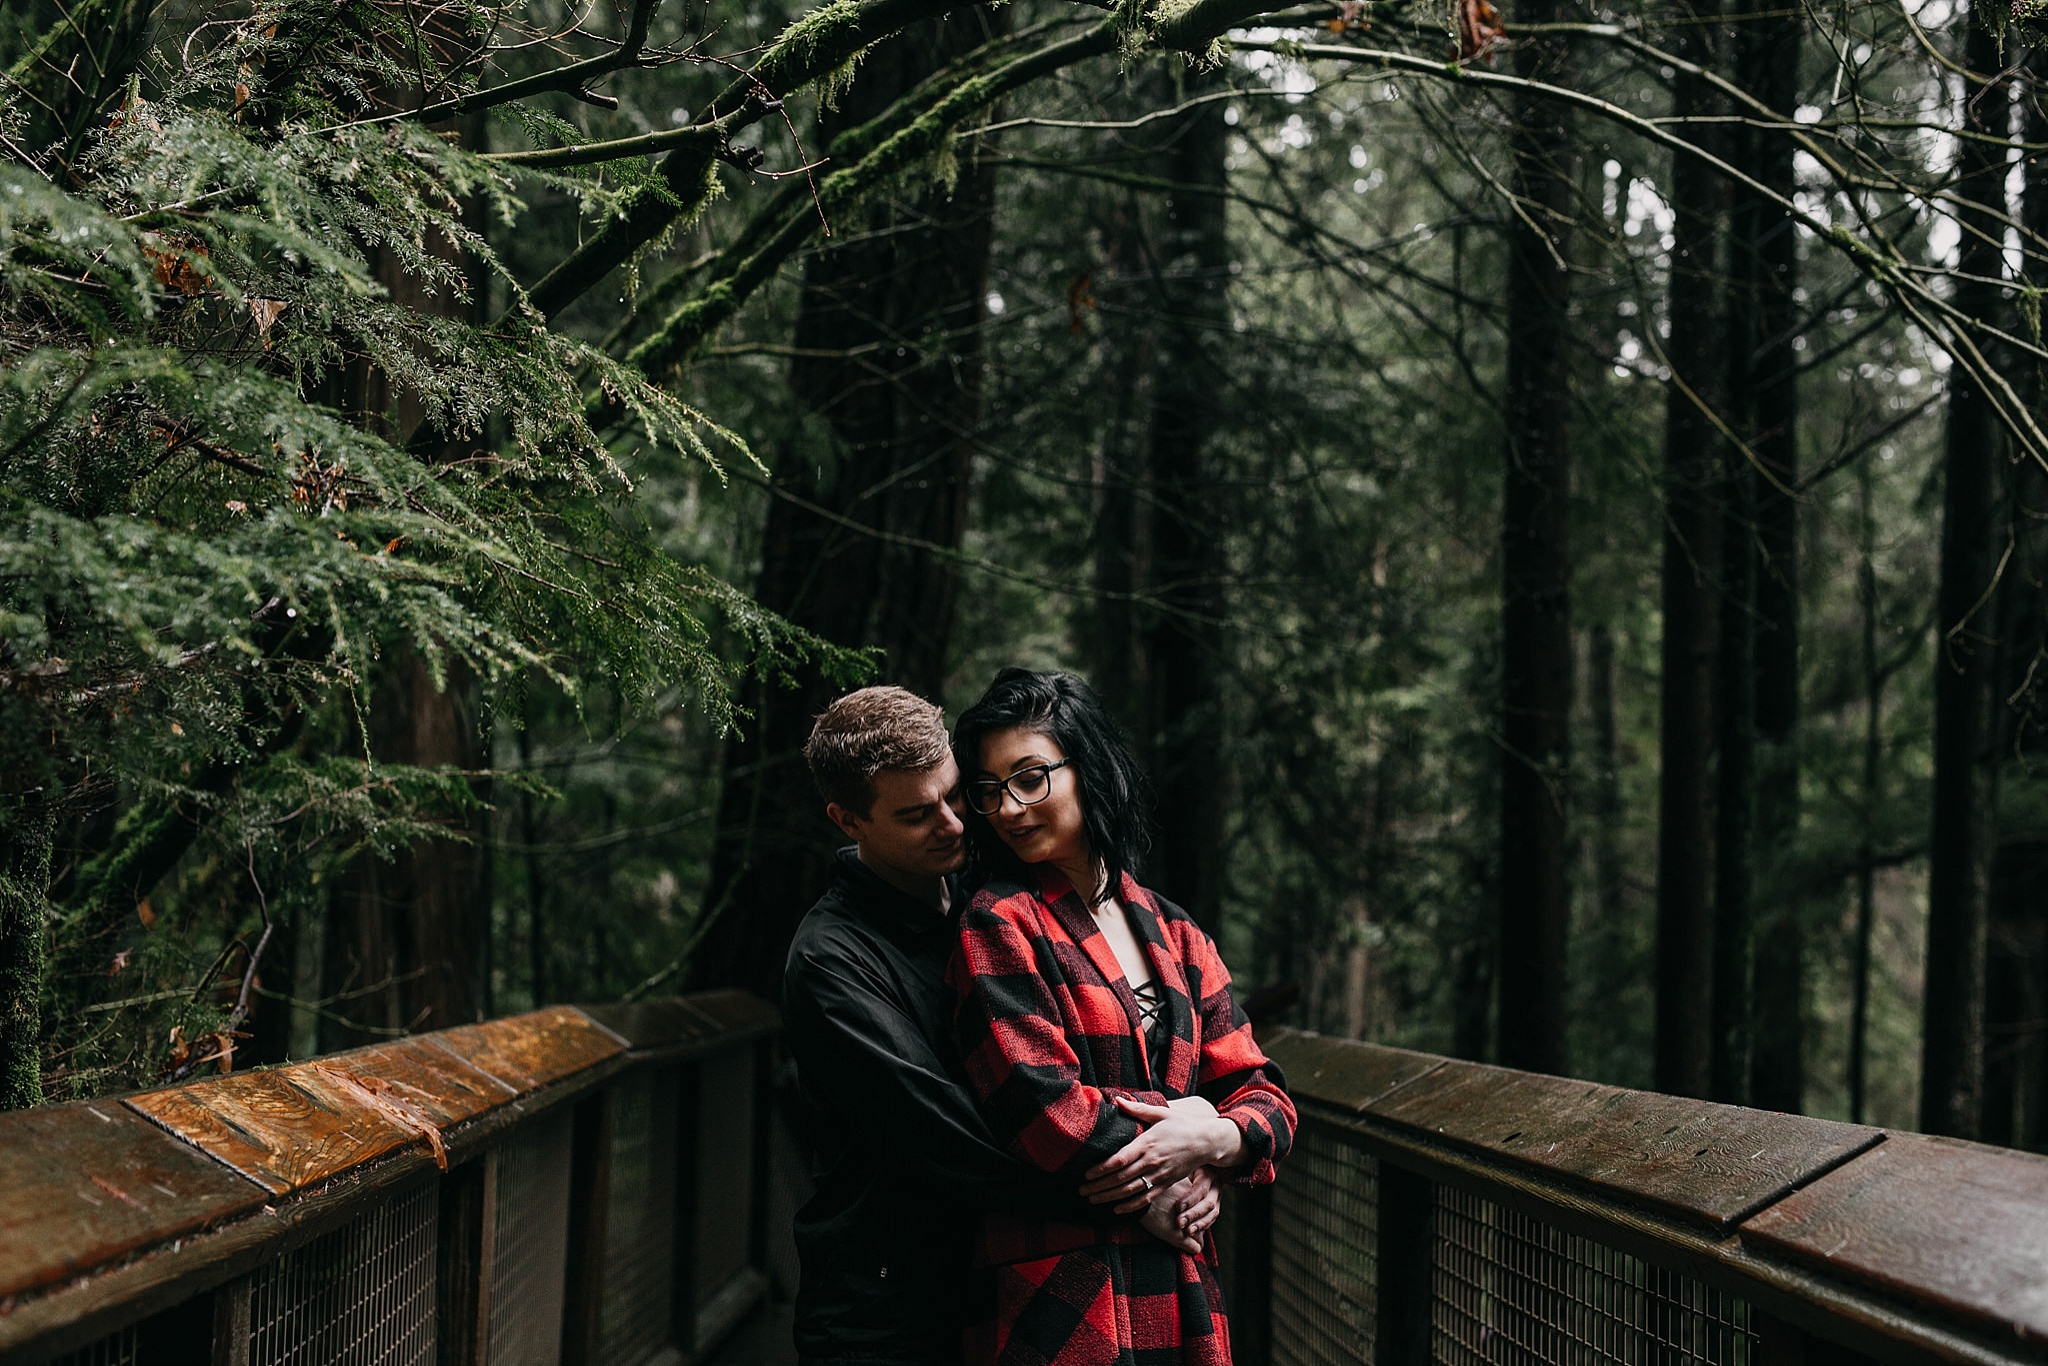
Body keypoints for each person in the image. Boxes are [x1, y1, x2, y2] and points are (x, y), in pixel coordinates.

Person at [780, 686, 1220, 1366]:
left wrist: (1209, 1142)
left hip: (995, 1286)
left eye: (957, 796)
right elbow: (953, 1132)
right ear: (848, 821)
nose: (954, 824)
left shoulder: (984, 897)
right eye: (916, 814)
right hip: (883, 1312)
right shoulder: (830, 960)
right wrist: (1145, 1187)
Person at [948, 668, 1295, 1366]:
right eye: (991, 791)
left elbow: (1268, 1099)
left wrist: (1217, 1140)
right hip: (1060, 1291)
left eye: (1031, 777)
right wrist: (1183, 1138)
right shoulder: (997, 922)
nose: (1011, 807)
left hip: (1179, 1287)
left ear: (1089, 769)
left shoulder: (1177, 932)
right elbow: (1043, 1112)